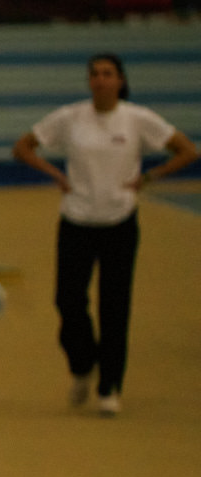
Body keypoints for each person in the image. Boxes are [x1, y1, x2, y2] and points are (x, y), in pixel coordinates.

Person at [12, 53, 198, 417]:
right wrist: (55, 174)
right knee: (67, 301)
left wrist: (148, 178)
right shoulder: (69, 117)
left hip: (119, 222)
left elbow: (187, 150)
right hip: (76, 220)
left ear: (120, 81)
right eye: (95, 74)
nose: (100, 79)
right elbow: (23, 147)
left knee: (115, 307)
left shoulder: (138, 119)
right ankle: (83, 365)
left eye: (108, 74)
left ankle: (109, 386)